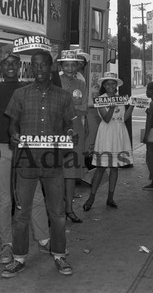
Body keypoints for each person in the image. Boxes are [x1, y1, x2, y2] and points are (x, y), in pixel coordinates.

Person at [0, 45, 51, 265]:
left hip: (25, 148)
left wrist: (52, 61)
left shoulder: (29, 87)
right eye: (6, 63)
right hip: (0, 148)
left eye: (13, 63)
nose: (9, 66)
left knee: (34, 195)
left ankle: (44, 239)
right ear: (1, 67)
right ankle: (7, 246)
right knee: (3, 199)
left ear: (20, 67)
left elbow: (53, 85)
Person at [2, 50, 77, 278]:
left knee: (57, 212)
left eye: (43, 65)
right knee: (21, 212)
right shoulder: (20, 94)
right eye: (35, 66)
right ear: (31, 68)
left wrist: (71, 134)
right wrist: (14, 134)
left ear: (51, 67)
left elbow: (69, 126)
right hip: (26, 161)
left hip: (53, 161)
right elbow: (12, 125)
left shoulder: (63, 96)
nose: (39, 70)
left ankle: (59, 255)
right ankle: (18, 258)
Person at [83, 72, 134, 211]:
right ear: (104, 86)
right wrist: (112, 106)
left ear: (116, 86)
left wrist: (132, 106)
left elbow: (124, 118)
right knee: (100, 167)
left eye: (113, 83)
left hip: (119, 132)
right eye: (108, 84)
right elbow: (106, 118)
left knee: (115, 167)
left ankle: (110, 197)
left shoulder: (121, 99)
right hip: (106, 133)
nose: (111, 86)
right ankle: (91, 198)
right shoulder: (100, 100)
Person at [57, 50, 88, 223]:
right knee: (54, 171)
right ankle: (56, 210)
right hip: (55, 130)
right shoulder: (54, 81)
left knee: (70, 173)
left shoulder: (81, 84)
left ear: (78, 66)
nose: (70, 67)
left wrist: (65, 111)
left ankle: (69, 209)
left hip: (75, 130)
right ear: (61, 66)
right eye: (66, 64)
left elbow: (83, 108)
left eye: (73, 64)